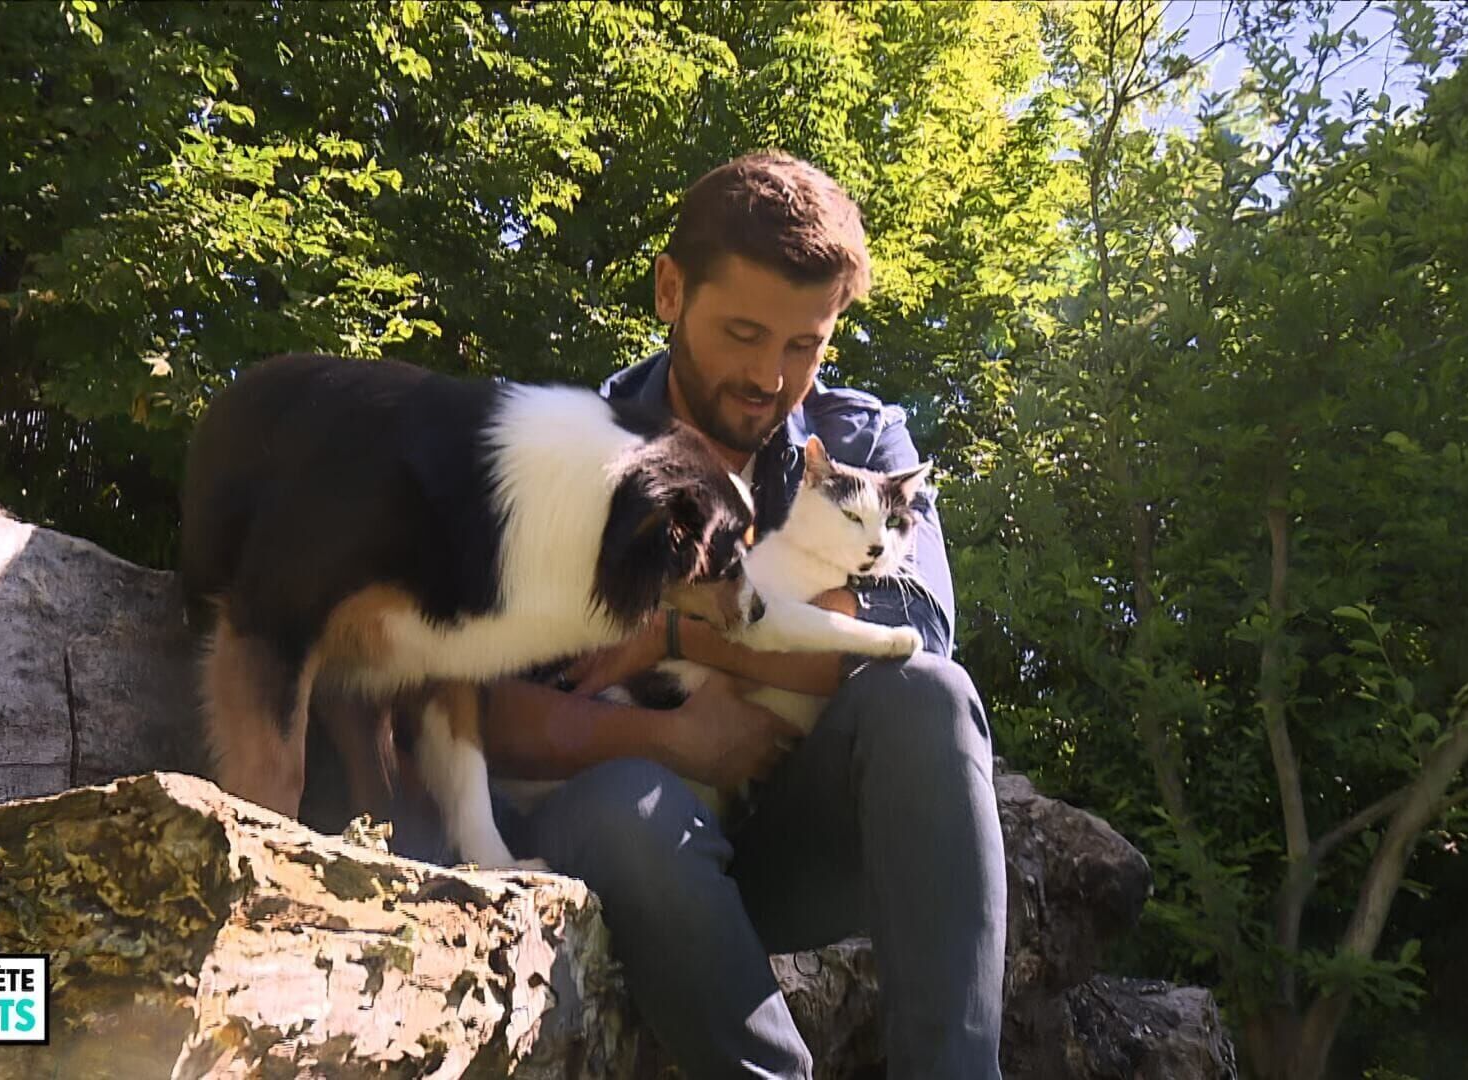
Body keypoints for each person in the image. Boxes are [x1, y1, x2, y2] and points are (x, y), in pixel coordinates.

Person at [303, 150, 1005, 1078]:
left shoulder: (863, 438)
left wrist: (668, 633)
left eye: (805, 346)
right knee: (624, 808)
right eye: (743, 333)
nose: (771, 377)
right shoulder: (573, 451)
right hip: (618, 837)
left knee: (929, 697)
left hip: (795, 838)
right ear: (671, 290)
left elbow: (910, 633)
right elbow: (474, 699)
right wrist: (677, 742)